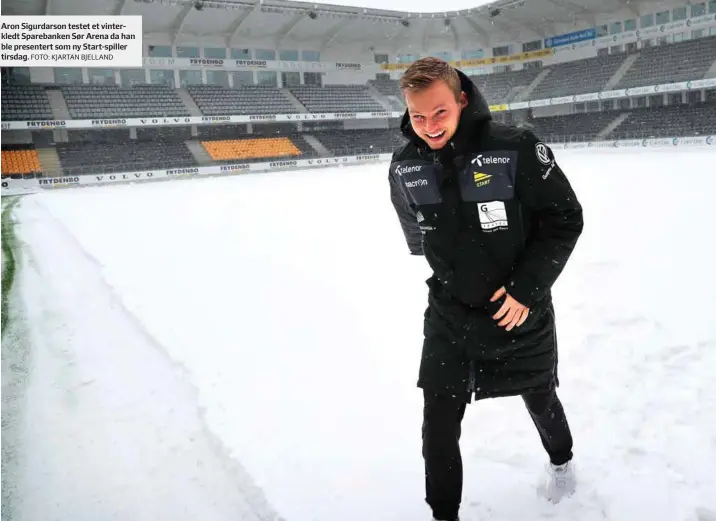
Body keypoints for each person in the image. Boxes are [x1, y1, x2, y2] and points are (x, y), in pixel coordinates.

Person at [388, 57, 584, 521]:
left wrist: (525, 290)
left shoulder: (513, 147)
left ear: (461, 99)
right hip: (450, 315)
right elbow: (417, 234)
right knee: (437, 420)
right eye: (418, 116)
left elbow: (565, 218)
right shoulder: (405, 166)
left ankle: (562, 464)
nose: (429, 126)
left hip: (517, 310)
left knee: (541, 400)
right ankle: (444, 514)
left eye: (438, 112)